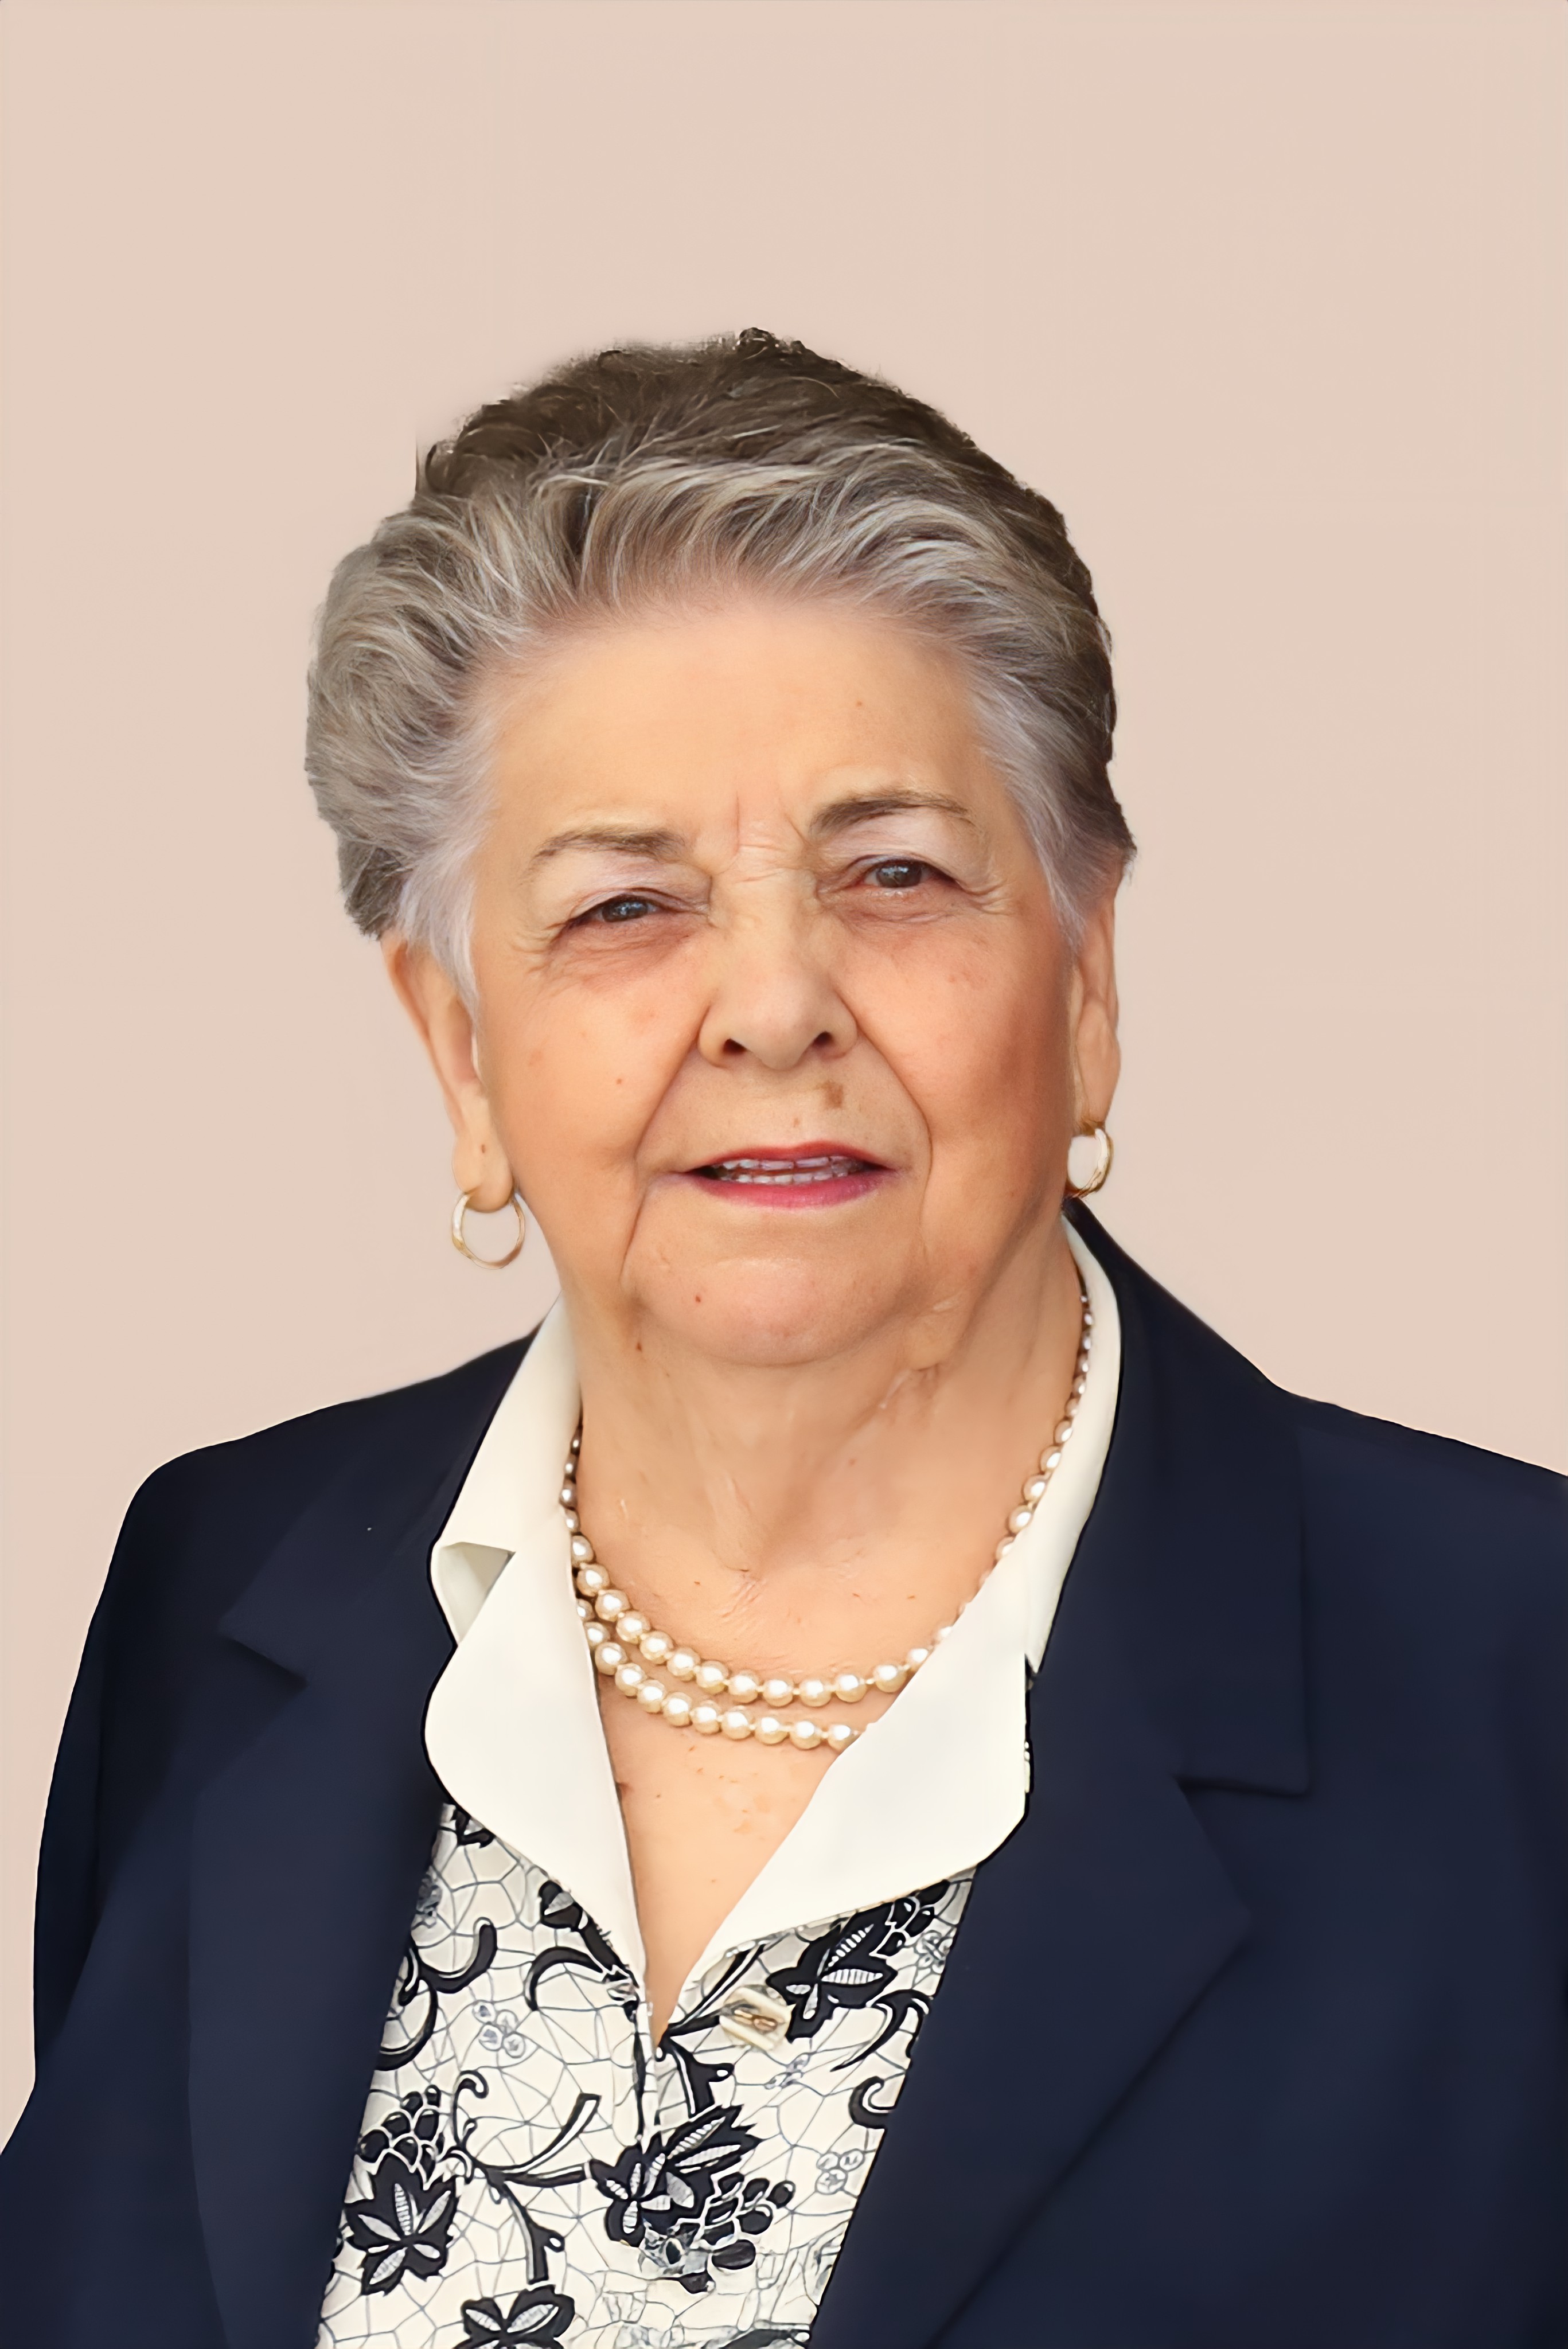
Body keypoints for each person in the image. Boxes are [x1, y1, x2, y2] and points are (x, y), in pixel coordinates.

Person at [0, 331, 1562, 2349]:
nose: (771, 1006)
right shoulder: (218, 1594)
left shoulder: (1517, 1684)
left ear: (1085, 979)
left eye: (893, 875)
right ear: (462, 1048)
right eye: (624, 908)